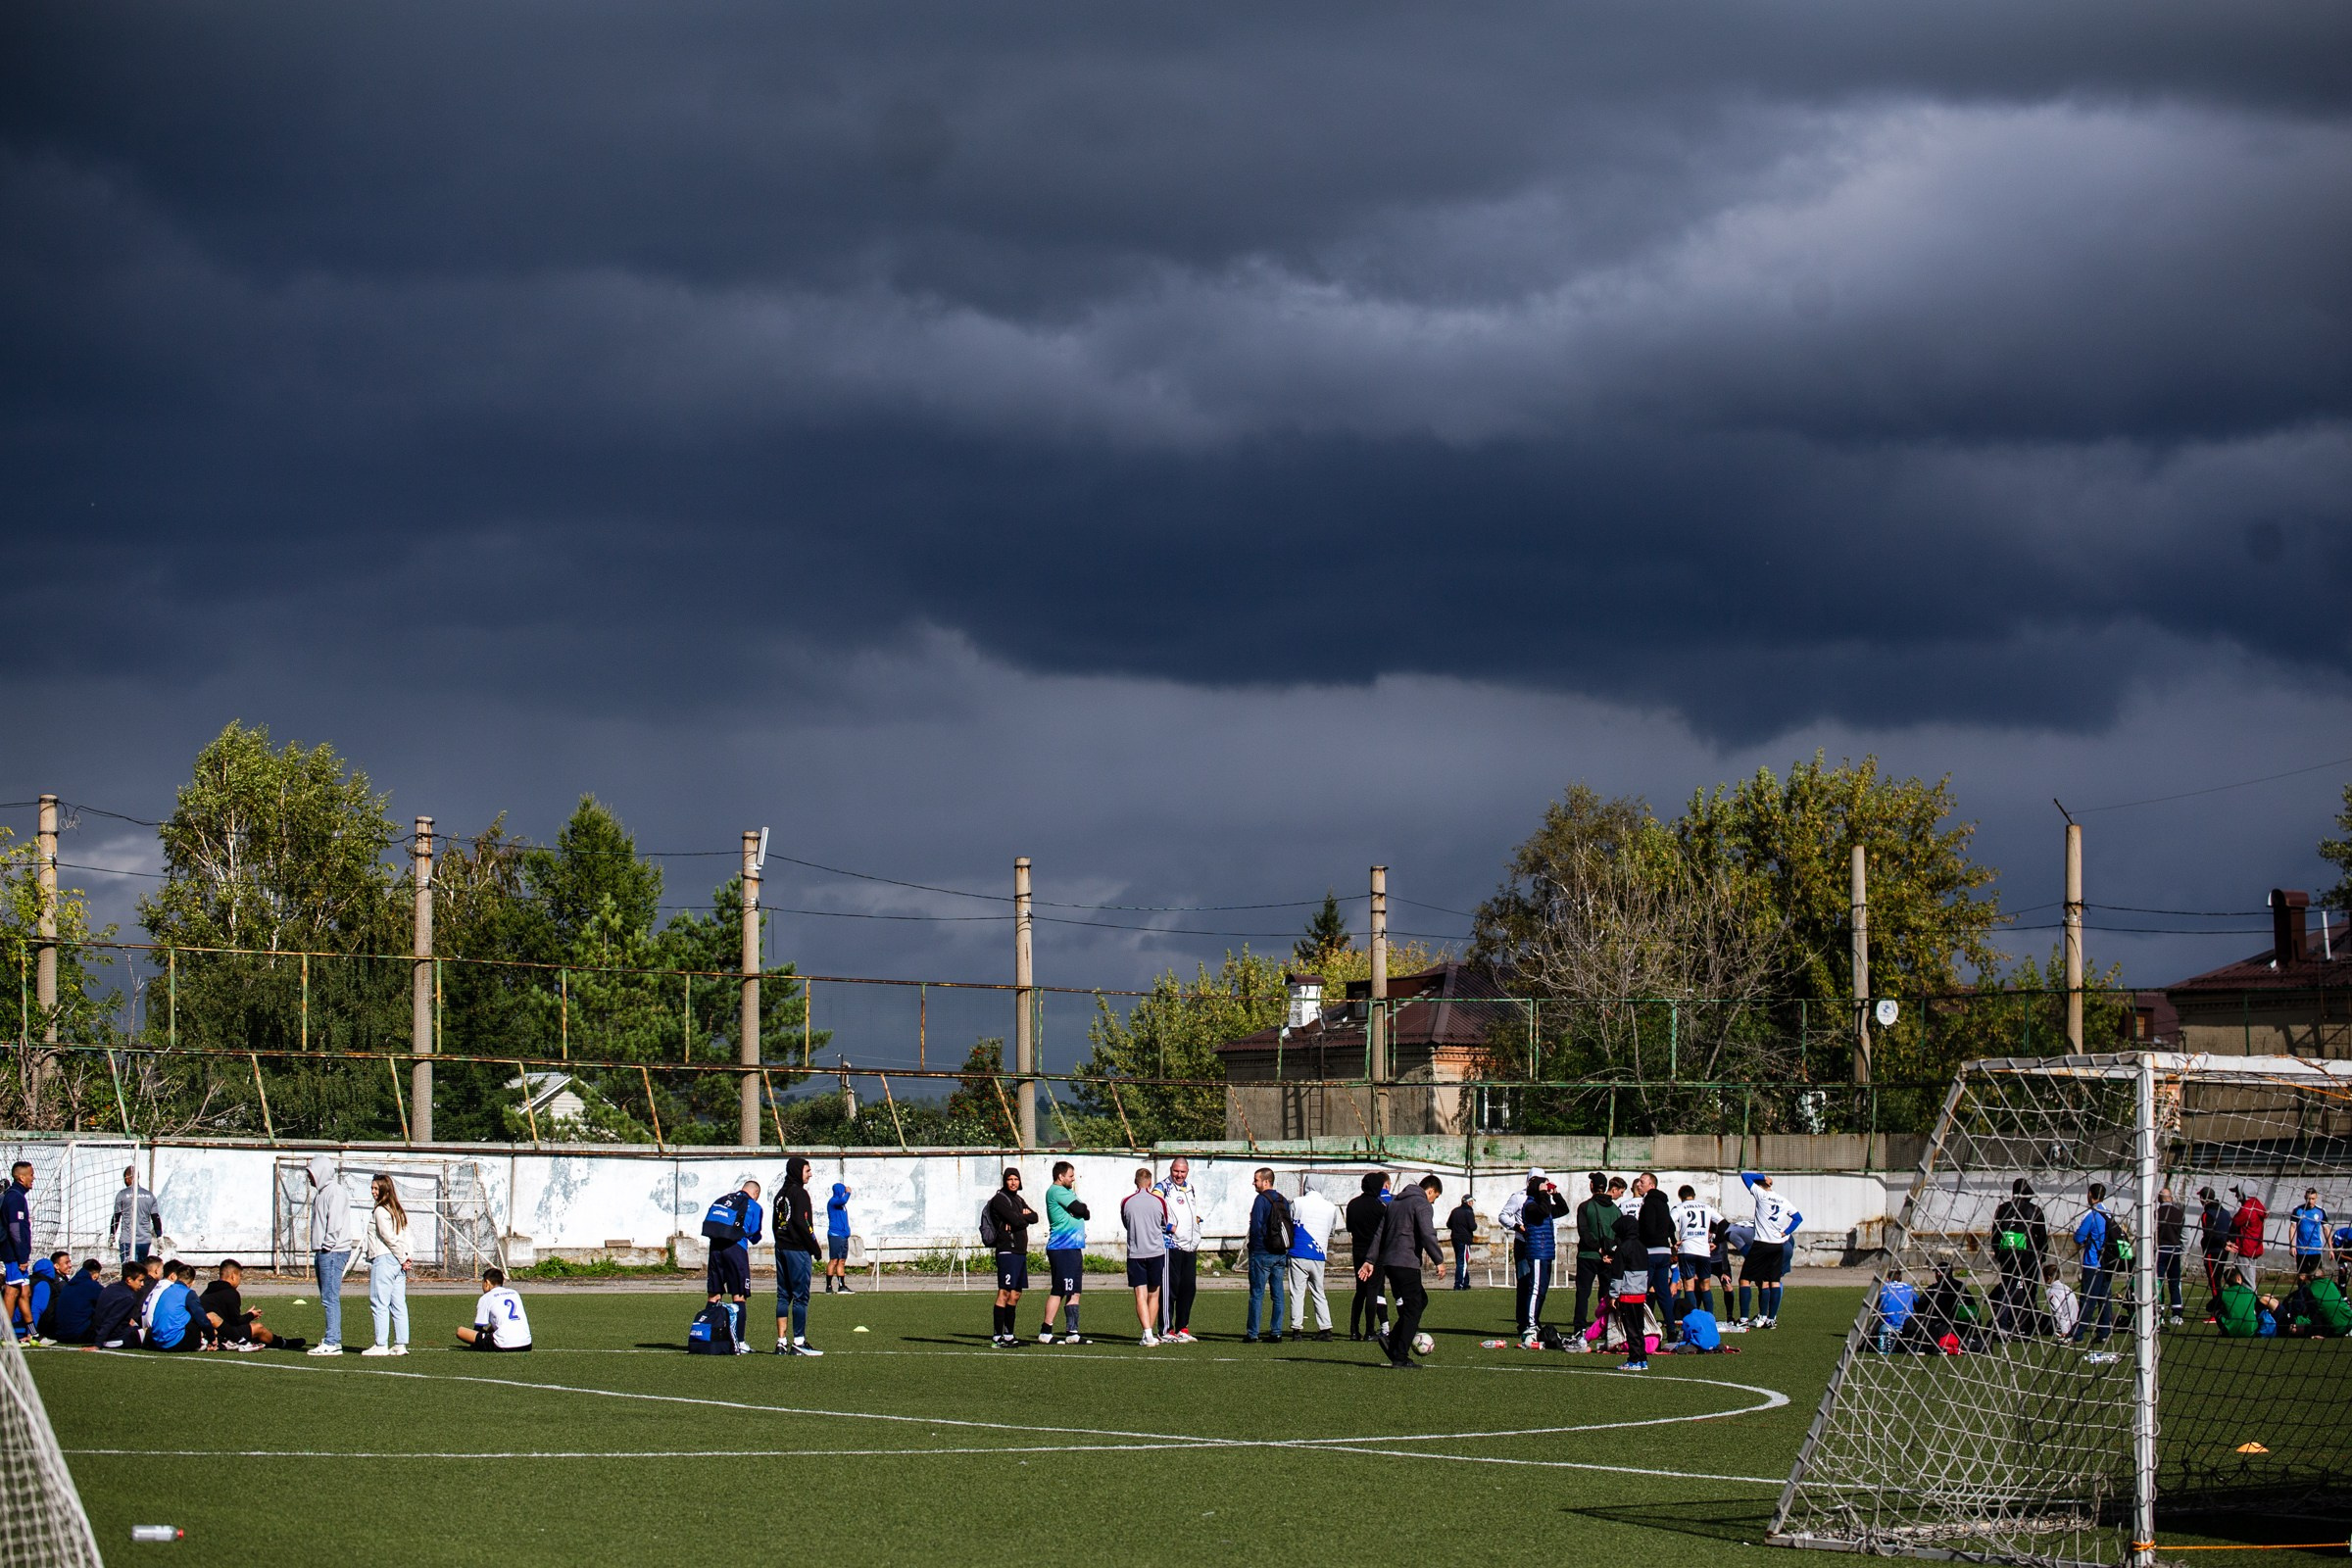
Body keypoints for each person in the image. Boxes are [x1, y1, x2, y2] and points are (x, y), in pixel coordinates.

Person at [1360, 1174, 1445, 1369]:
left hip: (1390, 1263)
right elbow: (1427, 1233)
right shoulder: (1422, 1204)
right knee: (1414, 1307)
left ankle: (1393, 1340)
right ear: (1430, 1190)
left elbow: (1380, 1233)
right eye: (1435, 1197)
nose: (1434, 1201)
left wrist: (1370, 1259)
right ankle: (1400, 1354)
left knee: (1418, 1301)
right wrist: (1439, 1260)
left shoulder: (1394, 1203)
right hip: (1406, 1262)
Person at [304, 1154, 358, 1355]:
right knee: (327, 1296)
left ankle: (333, 1341)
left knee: (330, 1297)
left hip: (332, 1251)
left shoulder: (335, 1192)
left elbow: (333, 1223)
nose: (309, 1177)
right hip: (324, 1251)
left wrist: (327, 1246)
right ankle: (331, 1337)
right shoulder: (321, 1193)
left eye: (311, 1173)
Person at [702, 1177, 761, 1351]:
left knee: (714, 1295)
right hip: (735, 1249)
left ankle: (708, 1337)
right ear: (755, 1193)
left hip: (715, 1248)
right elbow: (754, 1233)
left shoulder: (722, 1200)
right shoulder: (754, 1205)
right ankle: (740, 1342)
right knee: (739, 1295)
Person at [1740, 1172, 1802, 1329]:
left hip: (1761, 1243)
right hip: (1777, 1245)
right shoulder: (1783, 1200)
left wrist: (1762, 1175)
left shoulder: (1761, 1194)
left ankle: (1743, 1319)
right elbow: (1798, 1218)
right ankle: (1771, 1319)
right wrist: (1786, 1232)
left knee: (1745, 1279)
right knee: (1773, 1281)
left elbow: (1745, 1175)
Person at [774, 1157, 823, 1356]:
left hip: (781, 1248)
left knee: (783, 1295)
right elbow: (803, 1224)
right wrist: (815, 1248)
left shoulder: (780, 1194)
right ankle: (799, 1342)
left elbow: (775, 1223)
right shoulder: (799, 1194)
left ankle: (781, 1342)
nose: (810, 1174)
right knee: (801, 1297)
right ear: (797, 1171)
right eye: (807, 1170)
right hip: (797, 1249)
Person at [362, 1174, 413, 1357]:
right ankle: (400, 1344)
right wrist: (406, 1257)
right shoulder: (397, 1209)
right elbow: (406, 1237)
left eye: (376, 1188)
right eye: (372, 1188)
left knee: (379, 1302)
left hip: (385, 1259)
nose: (373, 1192)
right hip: (398, 1262)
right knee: (398, 1303)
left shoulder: (381, 1211)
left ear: (385, 1189)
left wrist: (402, 1257)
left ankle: (381, 1344)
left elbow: (388, 1237)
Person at [986, 1167, 1037, 1348]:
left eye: (1016, 1179)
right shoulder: (1000, 1199)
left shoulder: (1018, 1199)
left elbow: (1035, 1216)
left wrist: (1022, 1217)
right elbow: (1017, 1221)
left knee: (1016, 1294)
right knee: (1004, 1292)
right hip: (1007, 1251)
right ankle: (996, 1338)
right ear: (1005, 1181)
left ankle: (1009, 1336)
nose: (1013, 1182)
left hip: (1020, 1252)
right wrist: (1021, 1218)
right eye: (1010, 1179)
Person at [1516, 1171, 1568, 1348]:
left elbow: (1563, 1209)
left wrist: (1556, 1194)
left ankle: (1535, 1320)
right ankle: (1530, 1324)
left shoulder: (1542, 1204)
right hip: (1536, 1251)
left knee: (1543, 1290)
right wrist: (1543, 1194)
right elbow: (1544, 1210)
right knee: (1535, 1288)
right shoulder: (1530, 1205)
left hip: (1546, 1252)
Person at [1040, 1161, 1090, 1346]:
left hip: (1073, 1247)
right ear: (1061, 1176)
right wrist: (1081, 1210)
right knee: (1060, 1290)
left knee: (1075, 1291)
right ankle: (1045, 1332)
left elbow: (1086, 1212)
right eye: (1070, 1175)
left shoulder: (1068, 1192)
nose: (1073, 1178)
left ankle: (1072, 1332)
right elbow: (1080, 1209)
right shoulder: (1056, 1191)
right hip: (1062, 1248)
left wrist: (1082, 1210)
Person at [1990, 1179, 2047, 1338]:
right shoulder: (2034, 1210)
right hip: (2029, 1258)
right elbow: (2042, 1236)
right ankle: (2028, 1327)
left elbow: (1995, 1234)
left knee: (2006, 1291)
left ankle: (2002, 1326)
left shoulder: (2002, 1209)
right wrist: (2041, 1256)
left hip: (2008, 1257)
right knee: (2030, 1293)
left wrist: (1999, 1253)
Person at [1155, 1157, 1203, 1343]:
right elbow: (1155, 1210)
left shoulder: (1190, 1188)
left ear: (1187, 1172)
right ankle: (1166, 1329)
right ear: (1171, 1169)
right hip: (1171, 1245)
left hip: (1190, 1247)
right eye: (1176, 1171)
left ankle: (1183, 1327)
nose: (1179, 1175)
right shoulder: (1162, 1187)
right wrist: (1168, 1227)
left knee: (1188, 1288)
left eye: (1182, 1172)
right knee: (1169, 1289)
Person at [1121, 1167, 1168, 1346]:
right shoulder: (1159, 1201)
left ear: (1135, 1181)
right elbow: (1164, 1223)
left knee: (1140, 1294)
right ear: (1150, 1182)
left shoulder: (1126, 1202)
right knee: (1154, 1294)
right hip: (1156, 1252)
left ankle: (1147, 1333)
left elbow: (1126, 1223)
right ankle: (1149, 1333)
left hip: (1135, 1253)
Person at [1288, 1176, 1339, 1341]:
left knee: (1297, 1292)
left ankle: (1296, 1330)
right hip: (1318, 1253)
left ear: (1306, 1185)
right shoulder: (1331, 1207)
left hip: (1298, 1252)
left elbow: (1289, 1225)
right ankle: (1325, 1327)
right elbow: (1331, 1231)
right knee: (1318, 1291)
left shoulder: (1297, 1202)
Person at [1244, 1167, 1290, 1344]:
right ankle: (1276, 1332)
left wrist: (1253, 1247)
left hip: (1262, 1253)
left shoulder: (1261, 1200)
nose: (1254, 1183)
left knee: (1257, 1294)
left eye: (1256, 1180)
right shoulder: (1282, 1199)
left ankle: (1253, 1333)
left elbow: (1255, 1227)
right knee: (1278, 1295)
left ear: (1266, 1181)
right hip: (1280, 1253)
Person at [201, 1260, 290, 1350]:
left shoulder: (208, 1290)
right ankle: (283, 1343)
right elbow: (235, 1322)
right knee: (258, 1328)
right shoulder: (231, 1293)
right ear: (233, 1276)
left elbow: (224, 1317)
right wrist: (250, 1315)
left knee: (248, 1328)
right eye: (240, 1276)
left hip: (206, 1332)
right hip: (224, 1334)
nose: (240, 1280)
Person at [1345, 1172, 1391, 1342]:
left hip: (1358, 1251)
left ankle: (1354, 1330)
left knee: (1360, 1291)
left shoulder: (1353, 1204)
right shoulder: (1380, 1207)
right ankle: (1370, 1330)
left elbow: (1350, 1227)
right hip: (1375, 1253)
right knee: (1373, 1290)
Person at [1571, 1172, 1618, 1336]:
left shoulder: (1585, 1206)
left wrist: (1597, 1248)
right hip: (1609, 1258)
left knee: (1583, 1293)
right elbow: (1619, 1235)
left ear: (1592, 1186)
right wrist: (1608, 1251)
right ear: (1605, 1187)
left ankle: (1579, 1328)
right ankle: (1606, 1327)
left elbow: (1583, 1232)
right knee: (1606, 1294)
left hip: (1587, 1255)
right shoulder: (1615, 1209)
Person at [1604, 1212, 1652, 1371]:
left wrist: (1612, 1296)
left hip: (1627, 1295)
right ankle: (1642, 1359)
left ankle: (1633, 1360)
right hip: (1640, 1294)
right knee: (1639, 1328)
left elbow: (1617, 1275)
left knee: (1630, 1329)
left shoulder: (1623, 1248)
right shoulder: (1642, 1247)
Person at [1633, 1173, 1677, 1339]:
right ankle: (1671, 1329)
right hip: (1664, 1252)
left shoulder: (1649, 1203)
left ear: (1651, 1185)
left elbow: (1647, 1228)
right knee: (1663, 1292)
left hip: (1650, 1251)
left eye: (1642, 1182)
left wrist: (1639, 1243)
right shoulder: (1664, 1203)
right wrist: (1673, 1242)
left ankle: (1638, 1327)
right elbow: (1671, 1225)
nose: (1638, 1184)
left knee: (1640, 1291)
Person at [2073, 1182, 2118, 1344]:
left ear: (2090, 1195)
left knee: (2088, 1299)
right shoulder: (2108, 1213)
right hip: (2108, 1262)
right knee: (2104, 1298)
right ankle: (2104, 1332)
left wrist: (2078, 1235)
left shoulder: (2092, 1215)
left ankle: (2077, 1334)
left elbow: (2079, 1237)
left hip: (2093, 1262)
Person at [1671, 1185, 1722, 1319]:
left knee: (1689, 1285)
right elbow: (1722, 1223)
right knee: (1705, 1285)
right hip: (1704, 1250)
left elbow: (1668, 1223)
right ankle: (1710, 1318)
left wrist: (1672, 1240)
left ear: (1680, 1197)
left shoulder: (1679, 1208)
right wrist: (1715, 1242)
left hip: (1687, 1249)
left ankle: (1693, 1318)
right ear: (1694, 1195)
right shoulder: (1707, 1207)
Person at [455, 1268, 532, 1350]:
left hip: (503, 1344)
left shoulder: (486, 1297)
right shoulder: (514, 1293)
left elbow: (478, 1328)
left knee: (460, 1331)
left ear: (487, 1283)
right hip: (526, 1344)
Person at [1, 1162, 35, 1342]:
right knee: (12, 1291)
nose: (33, 1178)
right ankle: (4, 1334)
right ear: (21, 1177)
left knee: (25, 1291)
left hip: (19, 1253)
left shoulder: (18, 1196)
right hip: (13, 1254)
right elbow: (15, 1229)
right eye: (31, 1174)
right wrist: (21, 1255)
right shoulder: (14, 1197)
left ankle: (32, 1332)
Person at [141, 1260, 206, 1352]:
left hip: (151, 1333)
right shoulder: (172, 1288)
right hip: (165, 1333)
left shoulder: (158, 1286)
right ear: (173, 1276)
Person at [111, 1166, 162, 1265]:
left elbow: (116, 1217)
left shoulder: (122, 1194)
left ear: (128, 1177)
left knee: (128, 1271)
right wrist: (159, 1236)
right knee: (140, 1271)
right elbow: (156, 1218)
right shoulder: (149, 1195)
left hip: (127, 1240)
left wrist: (112, 1234)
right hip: (144, 1240)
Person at [50, 1258, 104, 1346]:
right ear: (95, 1275)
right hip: (79, 1334)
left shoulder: (69, 1285)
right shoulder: (93, 1287)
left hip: (60, 1334)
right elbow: (108, 1302)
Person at [2154, 1186, 2186, 1329]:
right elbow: (2185, 1236)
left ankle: (2158, 1312)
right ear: (2171, 1198)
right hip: (2174, 1251)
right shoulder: (2179, 1214)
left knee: (2158, 1282)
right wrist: (2182, 1250)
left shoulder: (2155, 1214)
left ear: (2159, 1199)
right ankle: (2177, 1314)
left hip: (2160, 1251)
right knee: (2175, 1282)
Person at [2197, 1187, 2231, 1316]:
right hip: (2224, 1251)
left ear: (2203, 1199)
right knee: (2217, 1280)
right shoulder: (2226, 1212)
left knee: (2214, 1282)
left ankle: (2218, 1311)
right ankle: (2221, 1308)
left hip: (2212, 1251)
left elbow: (2209, 1233)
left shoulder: (2207, 1215)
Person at [2228, 1184, 2268, 1286]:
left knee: (2248, 1283)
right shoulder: (2257, 1205)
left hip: (2245, 1249)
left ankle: (2253, 1301)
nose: (2236, 1195)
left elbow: (2234, 1224)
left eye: (2237, 1192)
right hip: (2254, 1248)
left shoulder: (2247, 1209)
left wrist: (2228, 1240)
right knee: (2250, 1279)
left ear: (2244, 1192)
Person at [22, 1252, 64, 1345]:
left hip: (15, 1327)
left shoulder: (28, 1281)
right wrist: (31, 1333)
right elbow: (36, 1310)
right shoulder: (43, 1284)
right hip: (25, 1329)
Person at [1873, 1265, 1916, 1352]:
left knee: (1880, 1320)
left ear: (1888, 1278)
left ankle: (1884, 1338)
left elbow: (1874, 1310)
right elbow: (1918, 1304)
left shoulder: (1882, 1288)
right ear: (1901, 1278)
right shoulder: (1909, 1287)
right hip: (1906, 1329)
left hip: (1888, 1325)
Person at [2289, 1189, 2329, 1280]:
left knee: (2317, 1276)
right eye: (2308, 1199)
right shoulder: (2297, 1210)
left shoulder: (2321, 1211)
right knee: (2302, 1277)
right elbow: (2292, 1227)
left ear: (2316, 1198)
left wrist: (2331, 1249)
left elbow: (2326, 1229)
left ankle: (2315, 1294)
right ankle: (2302, 1293)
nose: (2310, 1201)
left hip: (2315, 1248)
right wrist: (2292, 1246)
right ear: (2305, 1198)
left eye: (2312, 1198)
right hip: (2301, 1249)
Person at [824, 1181, 855, 1295]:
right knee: (834, 1260)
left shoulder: (842, 1206)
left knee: (842, 1261)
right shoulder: (833, 1202)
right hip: (835, 1235)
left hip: (843, 1235)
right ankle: (828, 1286)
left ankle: (842, 1285)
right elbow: (843, 1200)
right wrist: (848, 1193)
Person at [1446, 1195, 1477, 1291]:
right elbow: (1473, 1227)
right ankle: (1459, 1284)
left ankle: (1465, 1282)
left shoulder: (1455, 1211)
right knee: (1462, 1262)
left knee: (1460, 1260)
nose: (1472, 1203)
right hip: (1464, 1239)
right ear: (1468, 1202)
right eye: (1471, 1201)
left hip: (1455, 1238)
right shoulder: (1469, 1212)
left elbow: (1448, 1224)